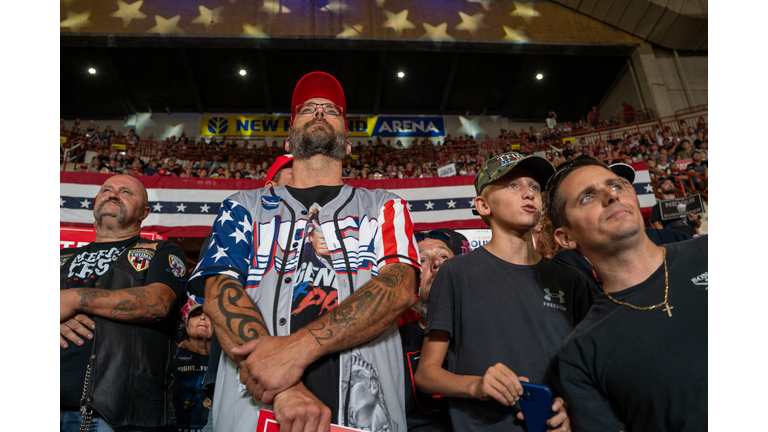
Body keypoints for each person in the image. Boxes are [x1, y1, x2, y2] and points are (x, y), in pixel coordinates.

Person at [187, 71, 421, 432]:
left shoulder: (384, 206)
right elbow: (219, 292)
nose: (319, 112)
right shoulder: (242, 207)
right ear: (287, 141)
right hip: (254, 411)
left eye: (331, 110)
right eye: (307, 108)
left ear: (347, 145)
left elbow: (398, 288)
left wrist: (296, 351)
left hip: (367, 416)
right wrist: (285, 389)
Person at [415, 152, 593, 431]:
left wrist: (573, 410)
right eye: (513, 185)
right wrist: (477, 385)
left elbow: (589, 368)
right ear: (483, 205)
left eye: (534, 187)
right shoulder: (456, 273)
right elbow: (426, 375)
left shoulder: (571, 279)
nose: (529, 194)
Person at [543, 157, 707, 432]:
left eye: (616, 185)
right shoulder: (581, 352)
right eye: (586, 197)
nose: (611, 195)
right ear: (566, 238)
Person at [60, 175, 188, 431]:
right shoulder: (60, 256)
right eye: (107, 189)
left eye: (126, 191)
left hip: (118, 410)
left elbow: (157, 303)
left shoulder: (162, 251)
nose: (113, 194)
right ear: (95, 203)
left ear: (144, 213)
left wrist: (75, 299)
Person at [400, 229, 469, 432]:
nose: (437, 264)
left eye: (444, 257)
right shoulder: (396, 342)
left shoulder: (484, 328)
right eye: (422, 260)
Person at [172, 301, 213, 432]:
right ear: (187, 327)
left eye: (209, 316)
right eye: (196, 315)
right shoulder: (171, 356)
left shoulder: (226, 361)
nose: (202, 317)